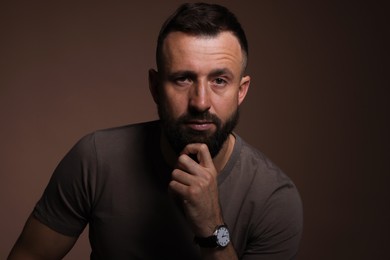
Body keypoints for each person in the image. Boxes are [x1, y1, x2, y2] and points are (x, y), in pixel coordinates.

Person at [8, 3, 303, 260]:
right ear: (155, 87)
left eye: (220, 80)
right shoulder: (95, 159)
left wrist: (213, 229)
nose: (201, 102)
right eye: (183, 79)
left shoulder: (274, 199)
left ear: (241, 91)